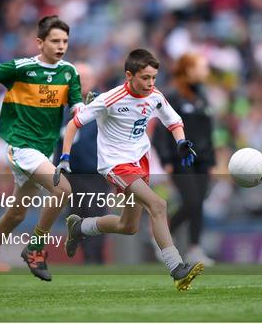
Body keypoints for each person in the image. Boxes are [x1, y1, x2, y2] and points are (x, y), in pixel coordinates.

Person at [0, 15, 84, 292]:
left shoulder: (69, 72)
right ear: (40, 42)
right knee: (63, 190)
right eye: (55, 41)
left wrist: (85, 110)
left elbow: (76, 104)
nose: (61, 46)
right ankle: (34, 249)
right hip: (21, 146)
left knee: (16, 214)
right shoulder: (21, 68)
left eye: (65, 41)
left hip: (43, 151)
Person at [54, 49, 204, 291]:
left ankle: (80, 227)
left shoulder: (154, 95)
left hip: (139, 162)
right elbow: (73, 124)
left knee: (128, 226)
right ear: (129, 75)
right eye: (145, 78)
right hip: (115, 164)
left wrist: (181, 142)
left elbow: (174, 121)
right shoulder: (110, 99)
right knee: (158, 205)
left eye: (154, 78)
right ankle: (177, 268)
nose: (150, 83)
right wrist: (64, 157)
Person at [153, 53, 216, 266]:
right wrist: (166, 159)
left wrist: (212, 161)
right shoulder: (173, 95)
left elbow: (208, 133)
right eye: (202, 66)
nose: (206, 71)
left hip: (202, 160)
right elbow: (161, 130)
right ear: (188, 70)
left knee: (198, 204)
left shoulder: (202, 97)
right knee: (192, 201)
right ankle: (162, 233)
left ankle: (194, 248)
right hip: (181, 159)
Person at [54, 62, 108, 264]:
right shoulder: (62, 106)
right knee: (77, 216)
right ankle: (89, 258)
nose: (83, 82)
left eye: (86, 78)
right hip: (70, 173)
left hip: (95, 172)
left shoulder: (103, 104)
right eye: (79, 78)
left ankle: (95, 258)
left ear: (94, 80)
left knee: (95, 214)